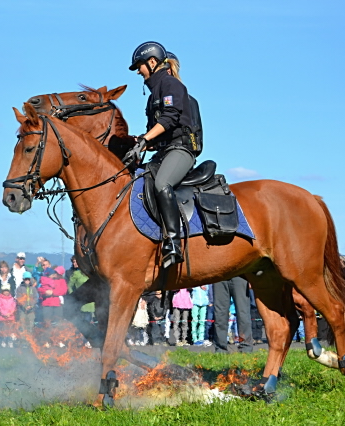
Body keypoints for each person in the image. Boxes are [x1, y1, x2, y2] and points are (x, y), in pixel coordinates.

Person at [125, 41, 201, 267]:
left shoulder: (170, 85)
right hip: (164, 151)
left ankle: (173, 241)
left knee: (162, 184)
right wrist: (140, 145)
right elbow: (155, 134)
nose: (138, 71)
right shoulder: (152, 97)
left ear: (151, 62)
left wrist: (146, 139)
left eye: (139, 66)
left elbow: (169, 119)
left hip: (181, 149)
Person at [212, 277, 254, 353]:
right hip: (220, 275)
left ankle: (246, 348)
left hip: (240, 275)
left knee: (243, 314)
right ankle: (220, 349)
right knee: (219, 315)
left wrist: (251, 278)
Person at [15, 271, 38, 342]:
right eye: (26, 279)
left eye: (28, 279)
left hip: (31, 311)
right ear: (23, 279)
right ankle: (23, 341)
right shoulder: (19, 288)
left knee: (30, 326)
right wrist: (25, 306)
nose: (27, 280)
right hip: (22, 310)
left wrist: (31, 305)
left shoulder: (33, 289)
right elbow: (19, 298)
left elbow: (35, 298)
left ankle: (29, 341)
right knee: (22, 325)